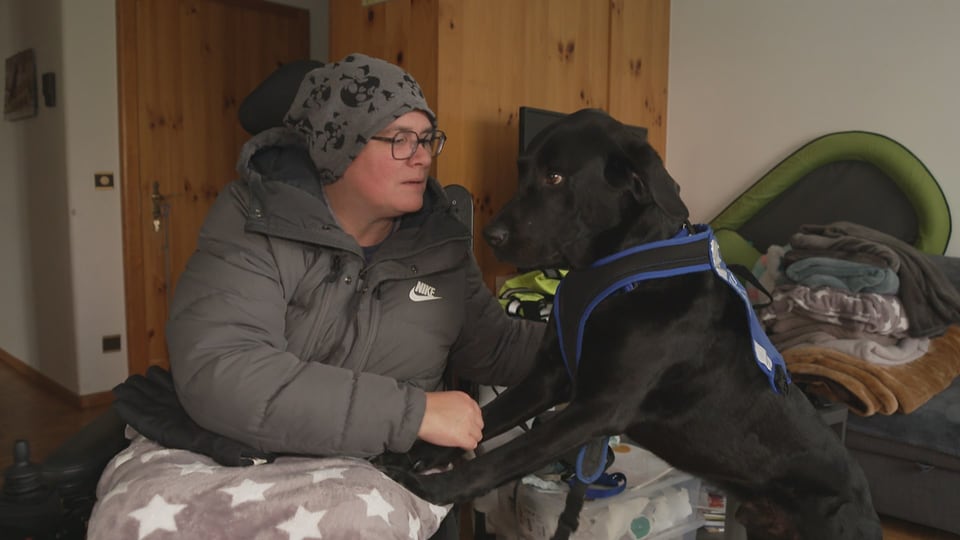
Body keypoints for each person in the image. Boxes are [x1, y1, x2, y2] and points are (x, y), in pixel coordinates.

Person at [97, 53, 544, 539]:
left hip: (370, 468)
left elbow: (498, 347)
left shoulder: (442, 248)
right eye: (399, 140)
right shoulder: (253, 223)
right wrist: (412, 412)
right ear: (338, 146)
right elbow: (223, 369)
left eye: (426, 139)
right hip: (220, 446)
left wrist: (606, 327)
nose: (422, 156)